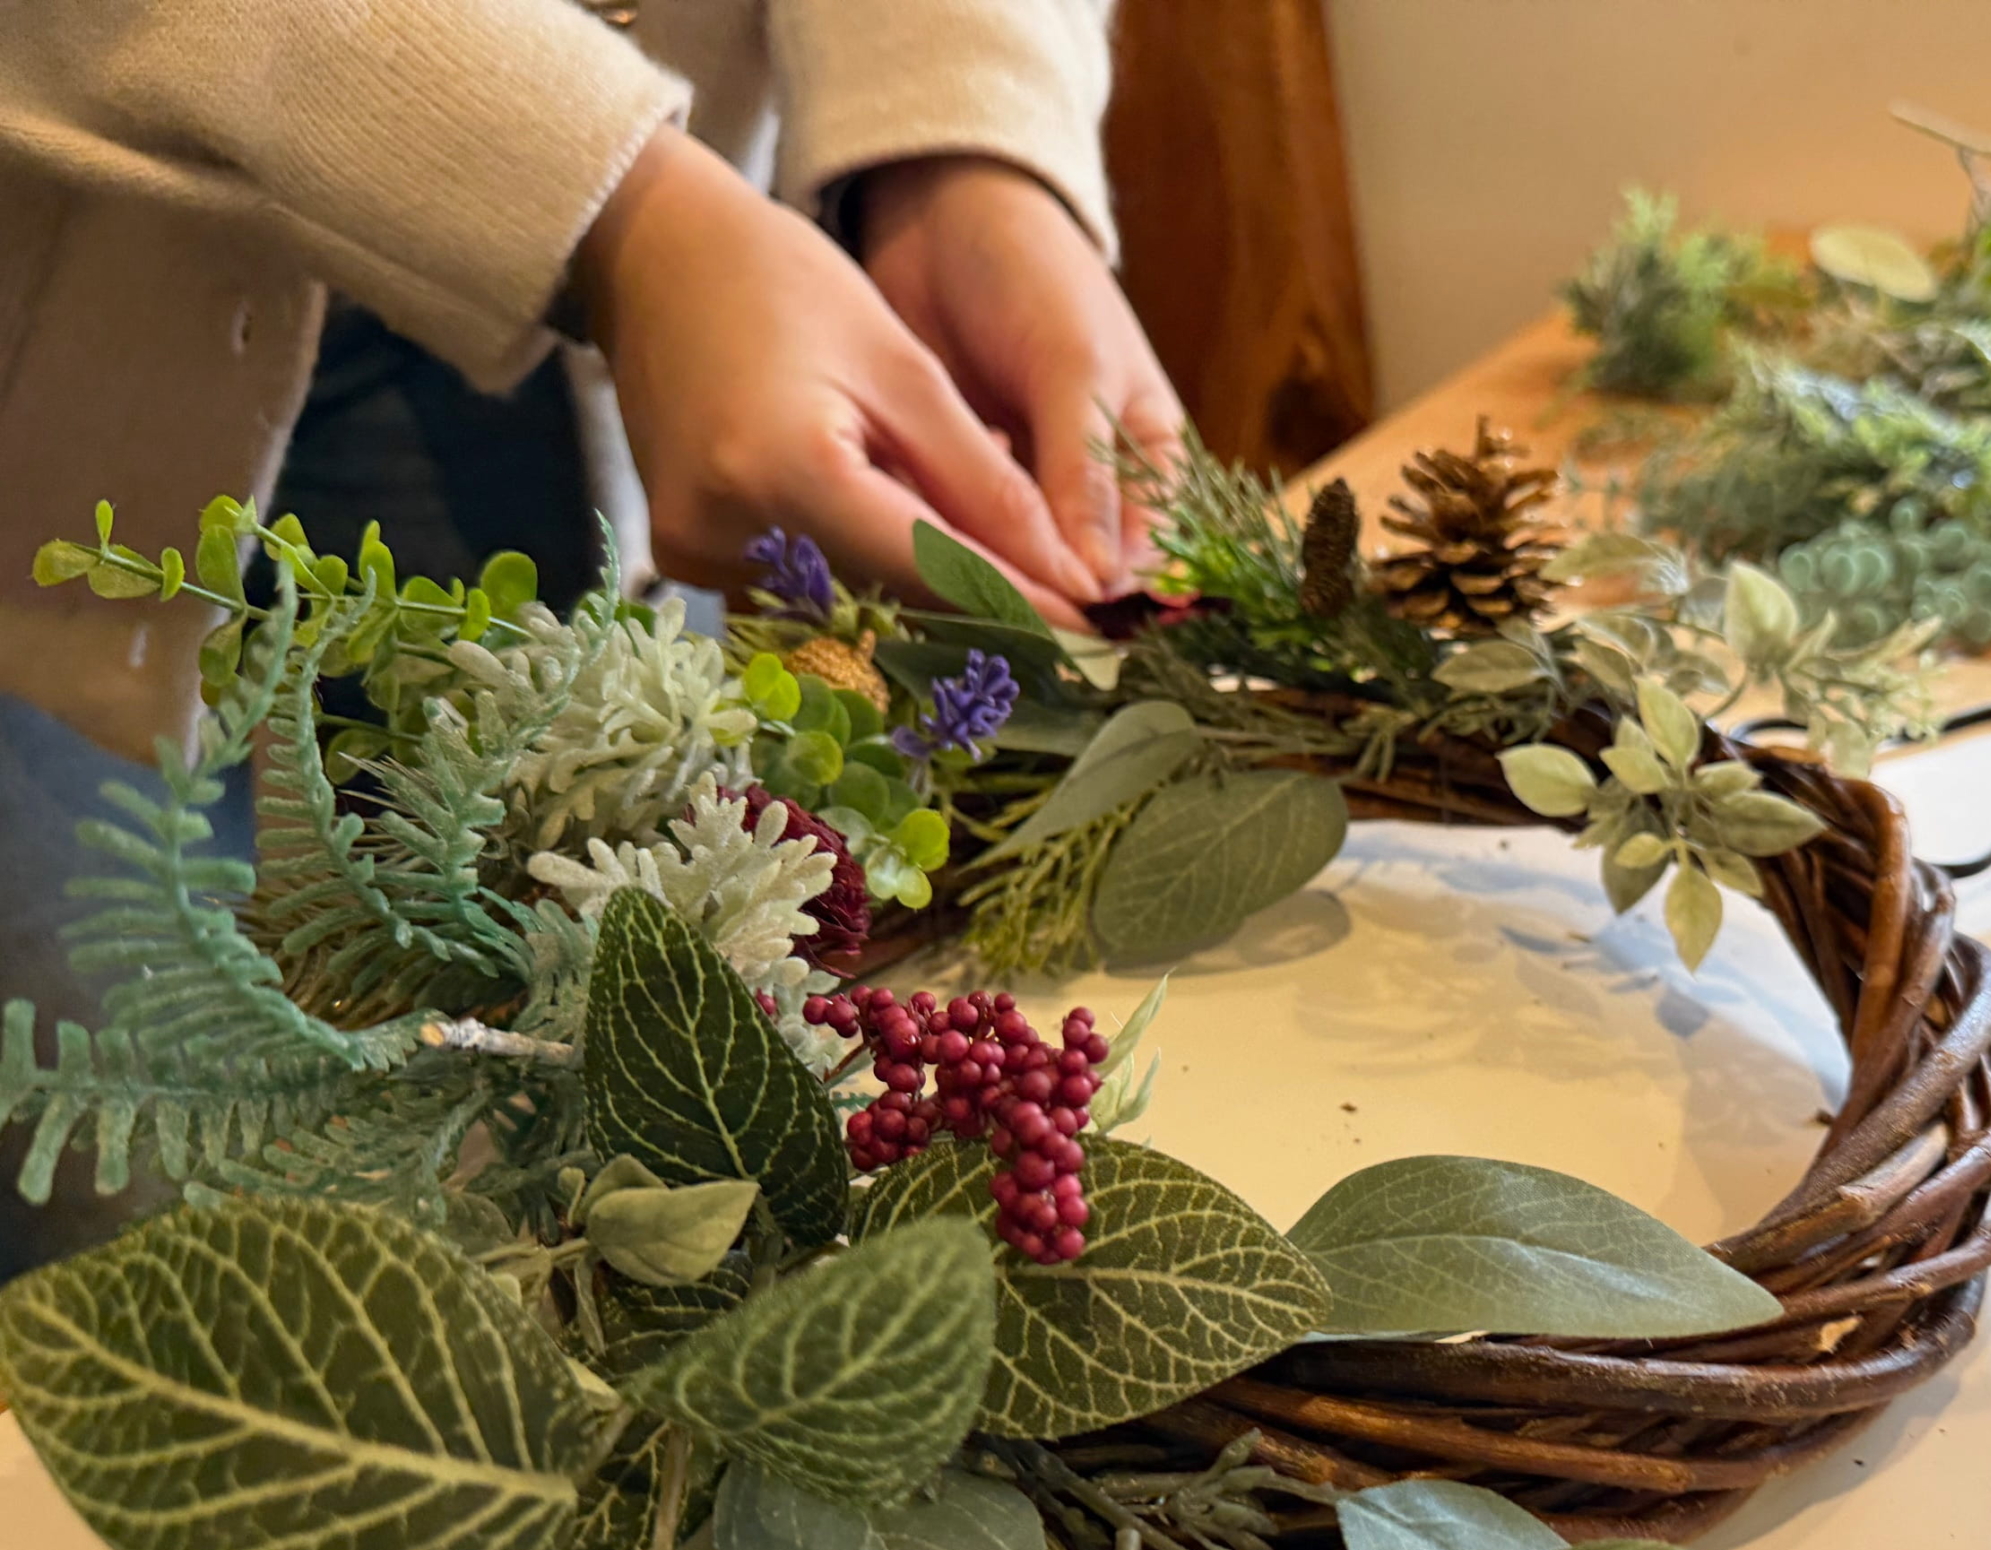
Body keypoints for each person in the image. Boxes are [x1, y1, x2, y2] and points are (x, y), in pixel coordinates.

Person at [0, 0, 1184, 1269]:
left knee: (595, 1124)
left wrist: (958, 128)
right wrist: (616, 208)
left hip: (597, 252)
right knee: (158, 1209)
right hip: (70, 292)